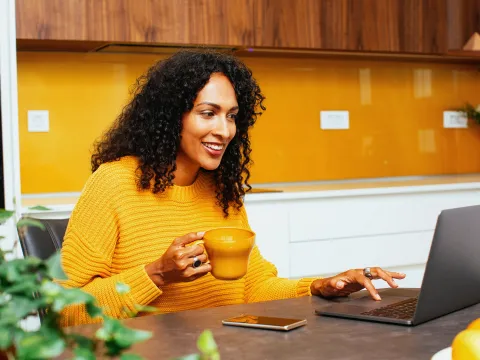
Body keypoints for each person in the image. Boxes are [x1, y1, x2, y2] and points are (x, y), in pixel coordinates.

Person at [59, 50, 405, 326]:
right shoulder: (114, 183)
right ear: (169, 117)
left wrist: (321, 286)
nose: (224, 130)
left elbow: (253, 287)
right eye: (208, 113)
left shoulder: (221, 189)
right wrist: (157, 274)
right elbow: (65, 311)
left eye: (232, 115)